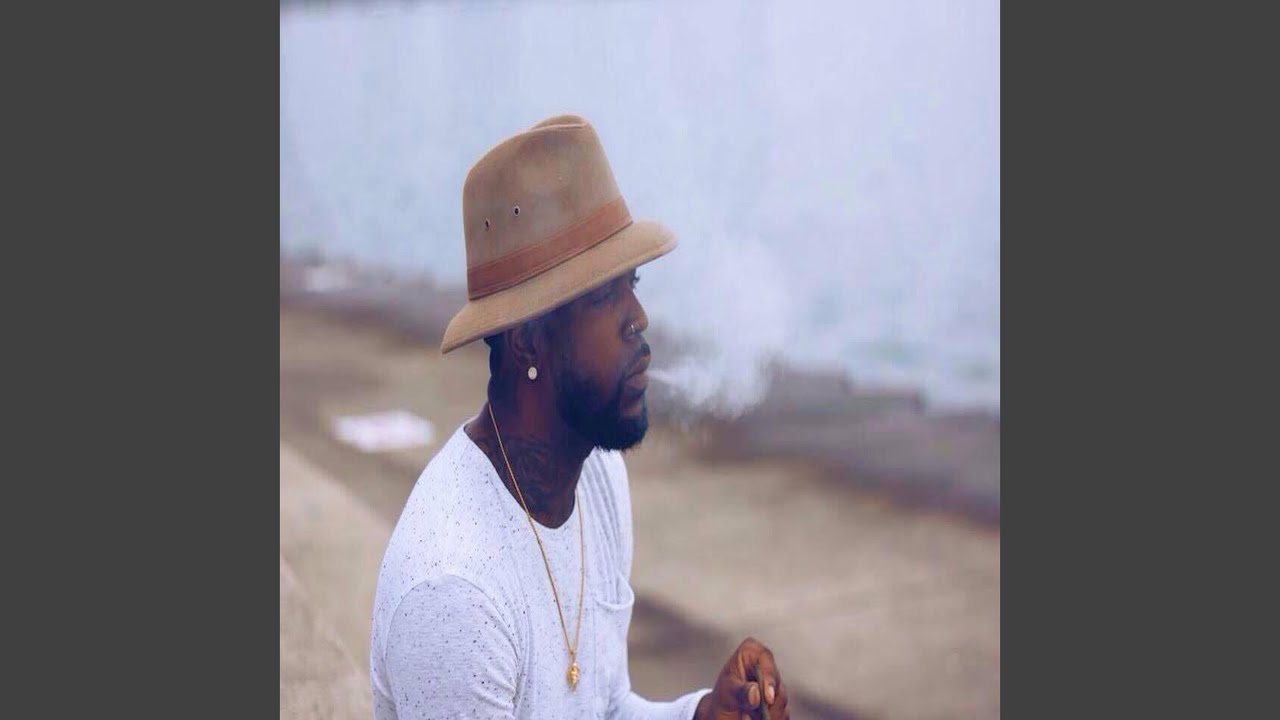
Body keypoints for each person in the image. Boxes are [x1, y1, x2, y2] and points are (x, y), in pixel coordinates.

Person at [370, 115, 790, 719]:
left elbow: (605, 707)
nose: (638, 317)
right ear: (527, 342)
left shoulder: (595, 476)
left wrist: (702, 716)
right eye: (604, 296)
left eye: (631, 283)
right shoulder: (455, 593)